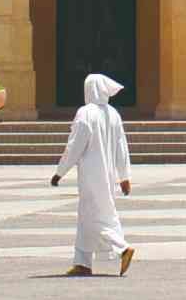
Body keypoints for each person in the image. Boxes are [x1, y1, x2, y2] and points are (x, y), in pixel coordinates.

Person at [50, 74, 133, 276]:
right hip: (108, 175)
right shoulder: (113, 113)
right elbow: (122, 147)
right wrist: (124, 177)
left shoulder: (85, 113)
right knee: (90, 216)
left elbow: (75, 145)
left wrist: (60, 172)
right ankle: (82, 263)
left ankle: (122, 248)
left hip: (91, 175)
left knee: (93, 217)